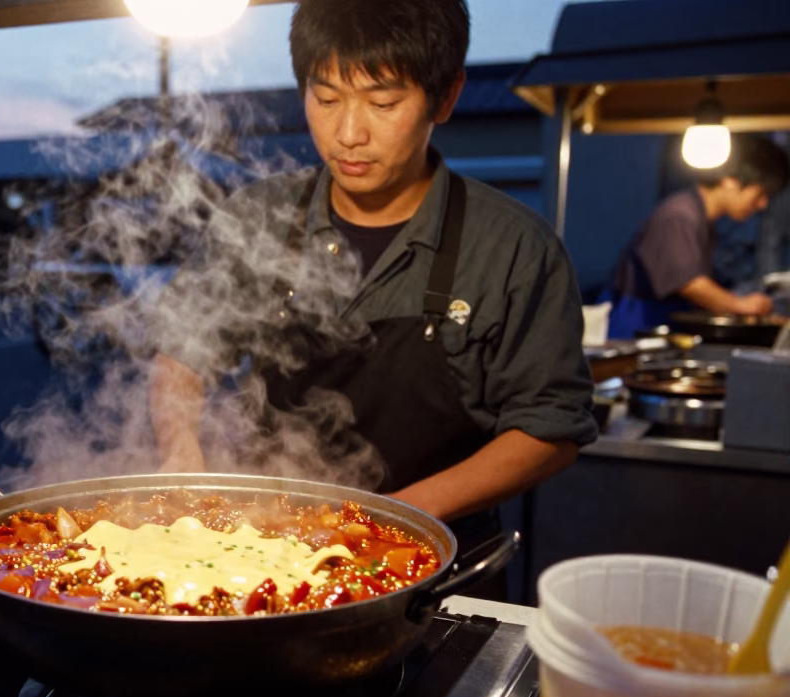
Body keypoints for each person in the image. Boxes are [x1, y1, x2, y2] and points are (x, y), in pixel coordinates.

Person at [147, 0, 597, 598]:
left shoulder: (514, 247)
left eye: (384, 103)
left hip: (443, 573)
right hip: (266, 556)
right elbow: (180, 360)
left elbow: (550, 430)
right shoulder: (257, 217)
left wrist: (391, 520)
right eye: (326, 97)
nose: (348, 133)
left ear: (446, 96)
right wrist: (182, 457)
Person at [606, 135, 790, 339]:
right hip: (637, 325)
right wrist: (740, 304)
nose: (762, 205)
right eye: (760, 194)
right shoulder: (680, 215)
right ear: (730, 182)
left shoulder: (702, 218)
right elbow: (690, 285)